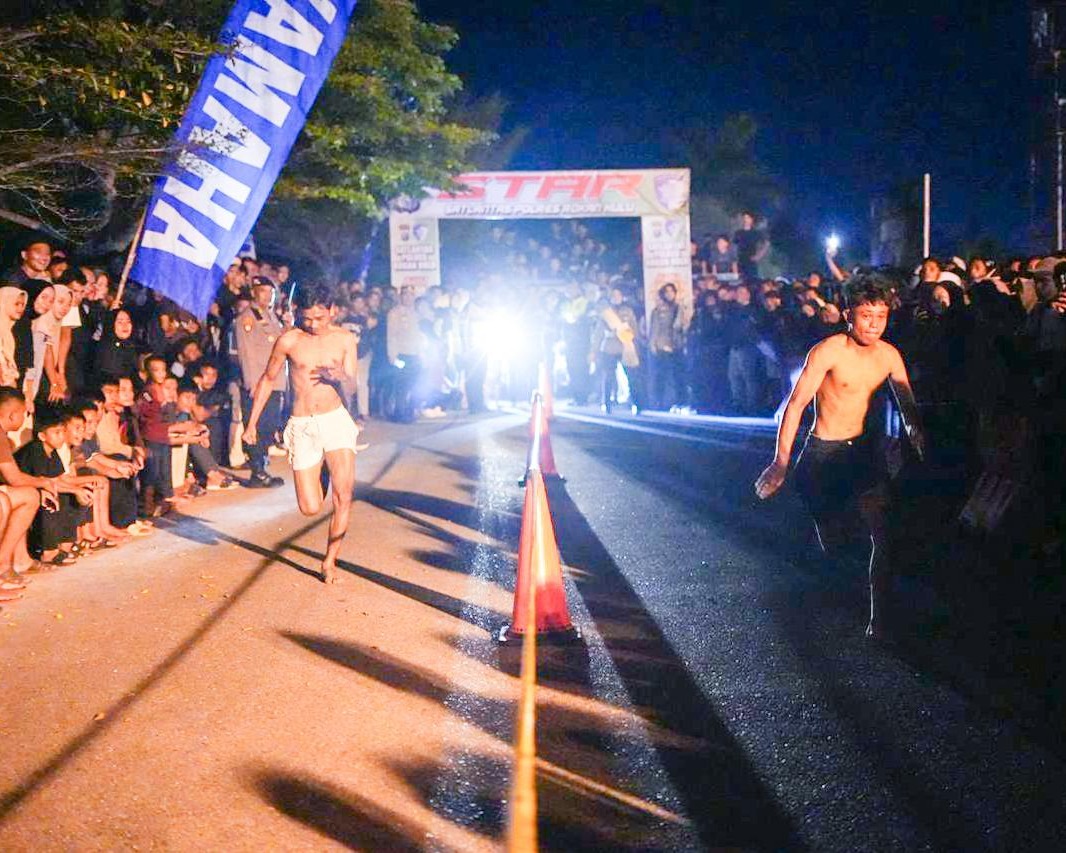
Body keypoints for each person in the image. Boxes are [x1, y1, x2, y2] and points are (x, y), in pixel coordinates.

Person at [754, 276, 925, 639]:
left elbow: (908, 407)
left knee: (883, 533)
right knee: (835, 542)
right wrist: (781, 462)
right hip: (824, 454)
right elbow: (796, 405)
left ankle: (880, 620)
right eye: (867, 315)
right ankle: (831, 591)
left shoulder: (890, 355)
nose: (875, 323)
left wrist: (918, 438)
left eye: (881, 315)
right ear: (849, 315)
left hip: (864, 451)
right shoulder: (828, 351)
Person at [243, 284, 360, 584]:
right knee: (310, 508)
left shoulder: (345, 339)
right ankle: (321, 471)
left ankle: (330, 562)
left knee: (343, 496)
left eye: (320, 317)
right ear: (298, 313)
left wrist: (340, 377)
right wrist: (251, 424)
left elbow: (353, 386)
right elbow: (268, 379)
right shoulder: (289, 340)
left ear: (332, 310)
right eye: (307, 318)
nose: (314, 324)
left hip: (335, 420)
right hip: (303, 425)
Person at [236, 277, 286, 487]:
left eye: (271, 292)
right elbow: (246, 354)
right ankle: (256, 469)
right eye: (263, 291)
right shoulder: (248, 318)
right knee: (255, 425)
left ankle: (262, 466)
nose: (268, 296)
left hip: (273, 382)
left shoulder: (271, 317)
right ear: (254, 292)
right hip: (259, 381)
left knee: (268, 425)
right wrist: (251, 382)